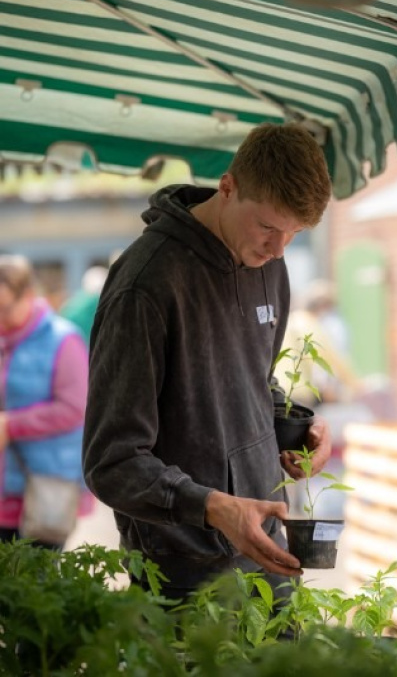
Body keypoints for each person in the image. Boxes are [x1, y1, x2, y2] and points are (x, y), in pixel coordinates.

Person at [83, 123, 334, 601]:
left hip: (268, 554)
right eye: (267, 227)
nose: (279, 249)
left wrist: (299, 430)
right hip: (181, 576)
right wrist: (214, 508)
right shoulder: (146, 284)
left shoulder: (270, 266)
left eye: (295, 233)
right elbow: (111, 461)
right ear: (228, 186)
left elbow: (254, 382)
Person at [0, 255, 92, 550]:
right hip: (6, 486)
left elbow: (73, 409)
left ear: (27, 295)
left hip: (41, 489)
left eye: (3, 308)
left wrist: (12, 425)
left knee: (36, 588)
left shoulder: (63, 340)